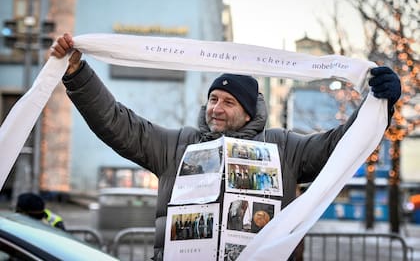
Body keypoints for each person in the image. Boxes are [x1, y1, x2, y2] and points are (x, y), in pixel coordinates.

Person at [50, 33, 401, 260]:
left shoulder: (283, 147)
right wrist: (79, 73)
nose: (216, 108)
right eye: (213, 99)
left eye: (228, 102)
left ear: (248, 110)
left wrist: (376, 106)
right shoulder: (177, 145)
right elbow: (117, 122)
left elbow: (335, 147)